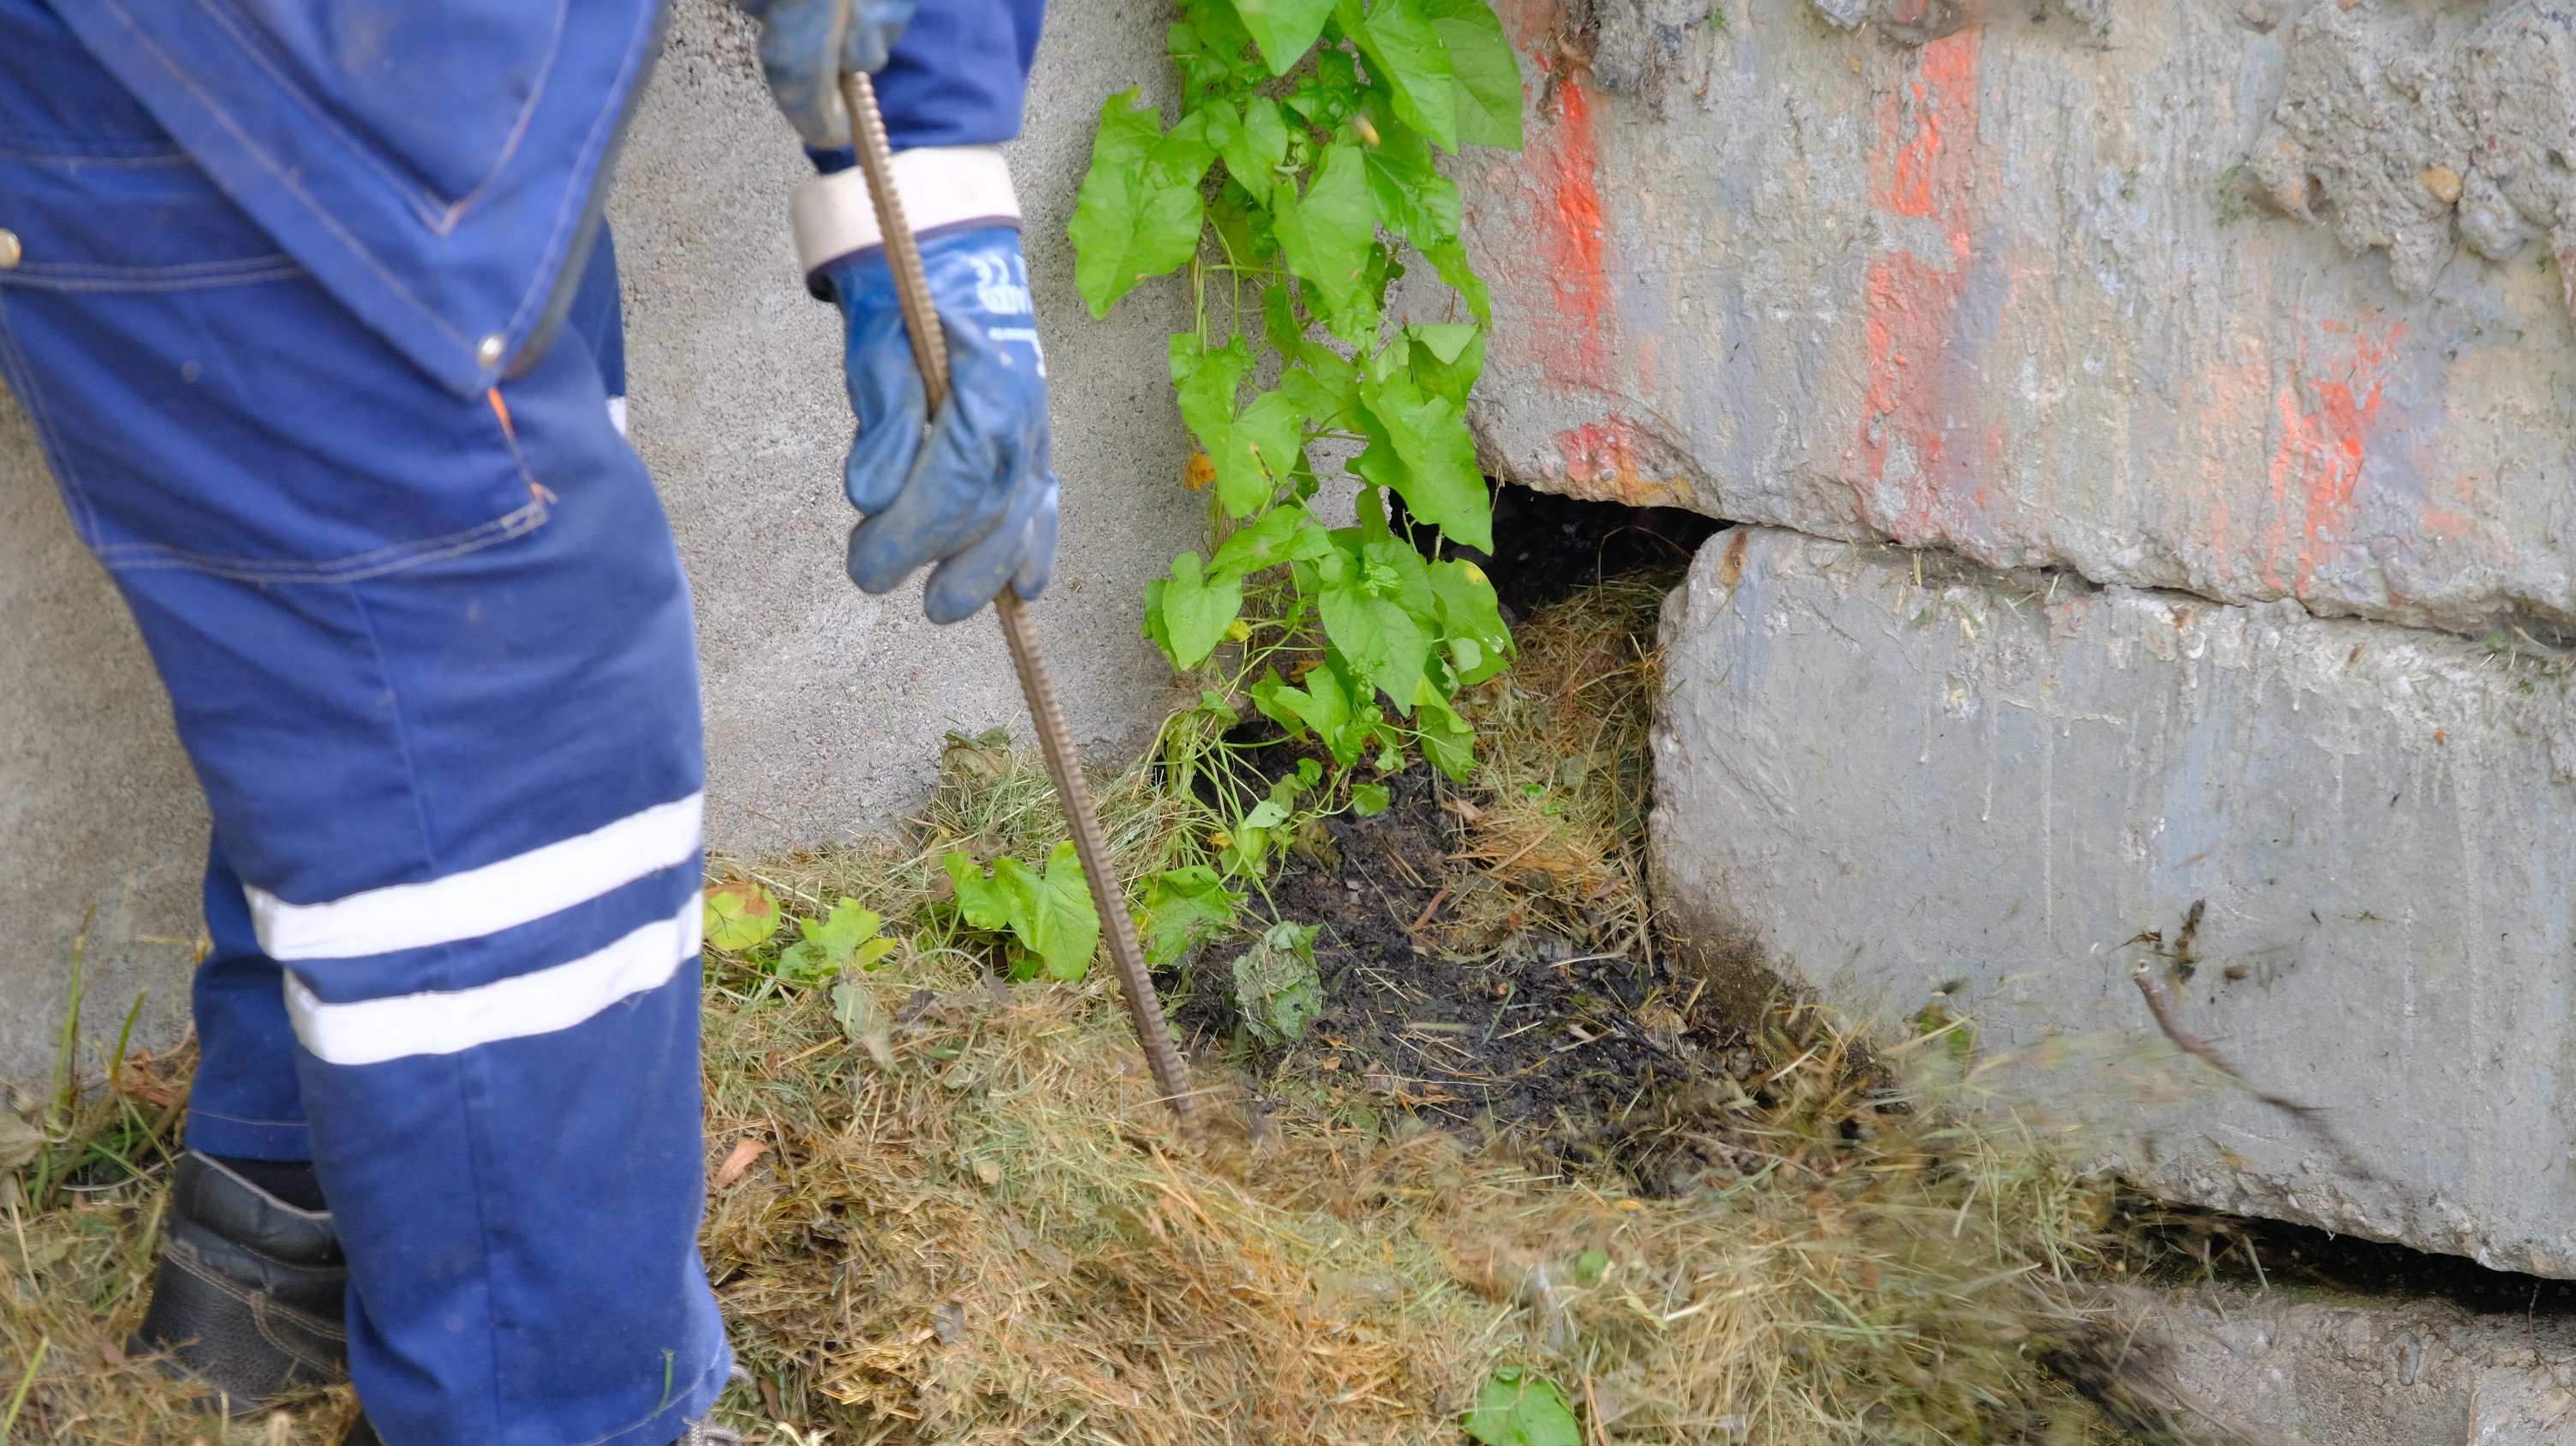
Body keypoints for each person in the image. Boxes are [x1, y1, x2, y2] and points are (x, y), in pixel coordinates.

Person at [0, 0, 1054, 1441]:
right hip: (232, 52)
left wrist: (928, 183)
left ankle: (289, 1216)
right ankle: (561, 1407)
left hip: (420, 69)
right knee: (509, 729)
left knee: (390, 629)